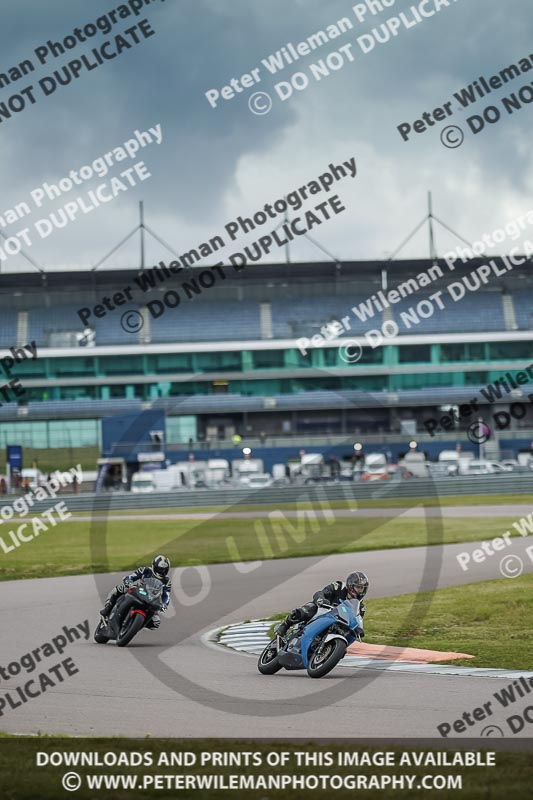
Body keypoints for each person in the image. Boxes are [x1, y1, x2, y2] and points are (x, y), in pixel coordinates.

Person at [274, 571, 369, 638]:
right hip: (322, 612)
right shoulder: (338, 586)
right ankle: (284, 626)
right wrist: (322, 600)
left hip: (337, 624)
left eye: (362, 588)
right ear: (350, 585)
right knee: (309, 609)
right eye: (358, 587)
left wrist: (359, 630)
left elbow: (358, 621)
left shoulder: (360, 607)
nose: (360, 591)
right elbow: (320, 593)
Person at [99, 555, 172, 629]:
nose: (162, 571)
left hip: (151, 600)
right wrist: (129, 583)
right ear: (154, 566)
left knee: (156, 623)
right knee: (119, 589)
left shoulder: (167, 581)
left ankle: (135, 625)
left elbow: (166, 595)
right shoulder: (145, 570)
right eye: (160, 569)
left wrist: (164, 605)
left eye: (164, 570)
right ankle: (107, 609)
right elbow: (131, 577)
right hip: (138, 591)